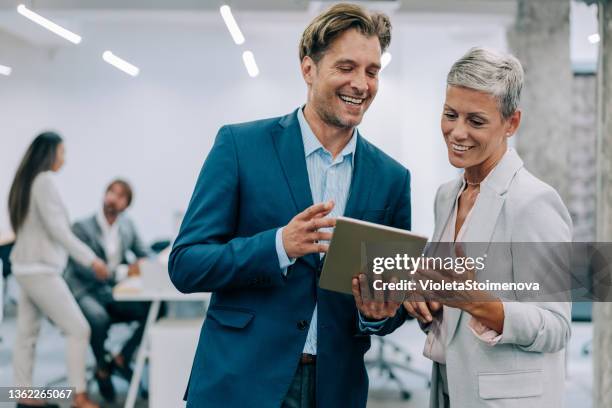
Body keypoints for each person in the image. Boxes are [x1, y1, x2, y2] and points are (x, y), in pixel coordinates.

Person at [168, 3, 411, 407]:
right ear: (308, 69)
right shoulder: (240, 147)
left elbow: (393, 302)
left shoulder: (392, 178)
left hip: (335, 389)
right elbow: (187, 264)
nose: (361, 84)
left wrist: (380, 313)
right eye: (346, 67)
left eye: (372, 71)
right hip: (241, 381)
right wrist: (278, 245)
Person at [401, 48, 572, 407]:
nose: (457, 132)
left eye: (476, 121)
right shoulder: (446, 196)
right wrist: (423, 299)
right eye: (450, 115)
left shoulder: (534, 202)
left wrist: (481, 303)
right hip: (450, 389)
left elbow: (556, 326)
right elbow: (450, 301)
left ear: (511, 123)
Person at [9, 132, 107, 408]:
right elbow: (60, 231)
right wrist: (92, 260)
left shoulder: (26, 181)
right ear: (50, 153)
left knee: (26, 334)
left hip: (24, 267)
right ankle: (79, 396)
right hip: (40, 270)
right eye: (62, 152)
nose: (64, 159)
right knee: (78, 328)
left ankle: (23, 396)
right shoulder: (45, 181)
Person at [64, 179, 151, 402]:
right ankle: (102, 368)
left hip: (112, 292)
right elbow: (85, 270)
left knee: (153, 310)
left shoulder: (127, 226)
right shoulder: (81, 227)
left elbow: (143, 252)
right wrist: (124, 272)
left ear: (126, 205)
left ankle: (123, 357)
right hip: (85, 290)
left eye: (120, 195)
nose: (113, 197)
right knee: (98, 319)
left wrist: (147, 263)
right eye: (111, 192)